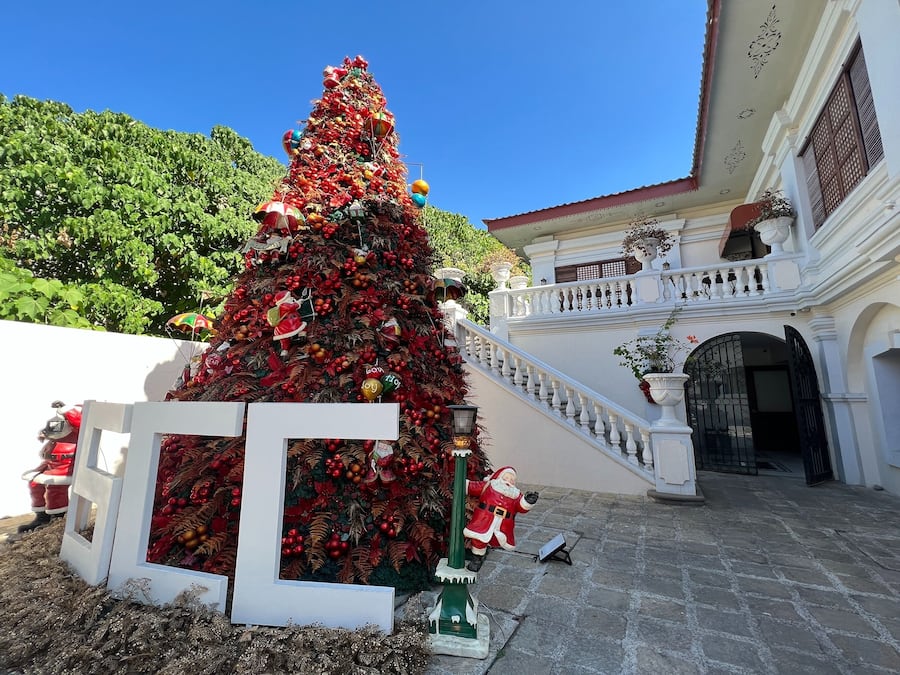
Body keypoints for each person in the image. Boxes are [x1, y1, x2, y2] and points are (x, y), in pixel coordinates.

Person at [18, 401, 82, 533]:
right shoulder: (62, 427)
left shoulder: (78, 429)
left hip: (65, 467)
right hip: (50, 464)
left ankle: (59, 518)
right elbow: (54, 431)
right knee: (34, 484)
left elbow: (78, 420)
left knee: (54, 488)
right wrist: (45, 433)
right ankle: (42, 518)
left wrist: (65, 409)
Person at [463, 466, 538, 571]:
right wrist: (461, 484)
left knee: (496, 538)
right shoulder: (489, 486)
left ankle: (483, 553)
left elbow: (522, 507)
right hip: (484, 519)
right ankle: (477, 559)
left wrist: (528, 501)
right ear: (499, 477)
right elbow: (473, 487)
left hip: (503, 523)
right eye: (506, 478)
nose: (508, 481)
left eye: (512, 480)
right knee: (479, 539)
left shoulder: (516, 495)